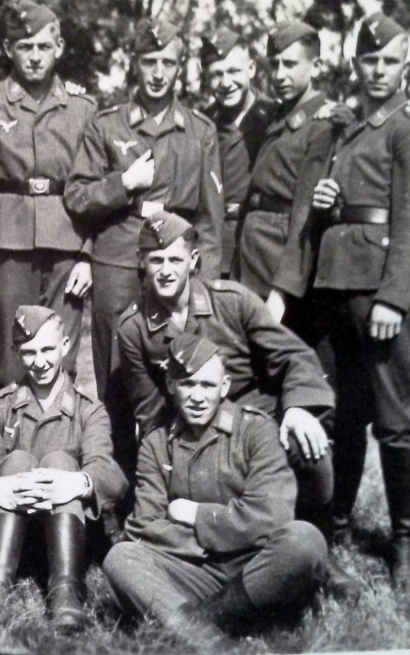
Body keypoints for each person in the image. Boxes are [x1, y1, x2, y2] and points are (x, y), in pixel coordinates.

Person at [273, 12, 410, 589]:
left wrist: (395, 298)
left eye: (389, 61)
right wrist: (325, 201)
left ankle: (406, 543)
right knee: (344, 418)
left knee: (394, 419)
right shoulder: (347, 131)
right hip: (337, 287)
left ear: (405, 66)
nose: (377, 71)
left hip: (382, 293)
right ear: (355, 64)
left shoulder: (408, 129)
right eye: (368, 61)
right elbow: (341, 208)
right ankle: (336, 526)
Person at [115, 211, 355, 600]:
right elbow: (148, 407)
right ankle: (226, 555)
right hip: (194, 420)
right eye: (155, 260)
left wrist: (296, 409)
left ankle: (322, 555)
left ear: (193, 260)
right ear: (141, 262)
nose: (165, 270)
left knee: (310, 448)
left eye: (175, 259)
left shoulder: (233, 301)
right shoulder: (134, 328)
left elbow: (294, 356)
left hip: (259, 417)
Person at [102, 333, 327, 641]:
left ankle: (202, 620)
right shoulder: (156, 443)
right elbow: (144, 527)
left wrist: (195, 515)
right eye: (187, 384)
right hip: (196, 569)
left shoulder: (256, 430)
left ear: (224, 387)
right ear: (170, 385)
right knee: (120, 557)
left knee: (304, 540)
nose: (197, 396)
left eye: (207, 385)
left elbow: (271, 517)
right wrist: (213, 543)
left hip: (257, 566)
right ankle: (209, 641)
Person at [65, 16, 222, 414]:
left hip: (177, 266)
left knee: (179, 376)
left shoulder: (200, 131)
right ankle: (117, 471)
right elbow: (78, 195)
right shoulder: (107, 124)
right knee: (115, 381)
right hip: (119, 260)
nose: (158, 72)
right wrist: (124, 184)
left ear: (180, 65)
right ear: (135, 62)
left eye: (168, 63)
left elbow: (210, 222)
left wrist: (206, 288)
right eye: (149, 61)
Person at [0, 306, 127, 630]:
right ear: (17, 353)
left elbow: (109, 473)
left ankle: (66, 589)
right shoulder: (1, 406)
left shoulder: (88, 410)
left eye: (48, 349)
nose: (40, 362)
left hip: (67, 535)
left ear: (65, 345)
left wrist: (80, 484)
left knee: (61, 463)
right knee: (17, 460)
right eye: (29, 352)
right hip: (8, 529)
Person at [0, 0, 95, 388]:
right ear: (7, 49)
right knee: (11, 358)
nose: (35, 57)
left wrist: (86, 254)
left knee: (61, 359)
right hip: (7, 244)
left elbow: (92, 187)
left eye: (42, 46)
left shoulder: (83, 107)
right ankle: (11, 446)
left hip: (66, 244)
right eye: (24, 46)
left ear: (60, 48)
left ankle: (59, 449)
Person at [238, 22, 334, 315]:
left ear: (315, 66)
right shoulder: (275, 117)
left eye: (290, 65)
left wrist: (283, 290)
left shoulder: (322, 125)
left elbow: (305, 214)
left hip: (277, 266)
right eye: (274, 64)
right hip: (250, 255)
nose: (279, 75)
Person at [199, 29, 278, 278]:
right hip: (217, 245)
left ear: (251, 69)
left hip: (263, 245)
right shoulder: (202, 124)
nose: (225, 83)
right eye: (216, 74)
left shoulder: (276, 116)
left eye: (234, 71)